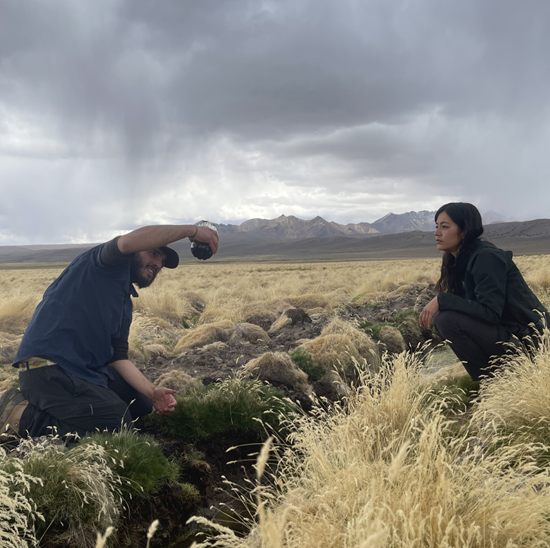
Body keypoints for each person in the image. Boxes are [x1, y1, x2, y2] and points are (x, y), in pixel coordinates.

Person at [0, 223, 219, 438]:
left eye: (162, 261)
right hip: (48, 370)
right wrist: (192, 231)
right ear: (135, 251)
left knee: (140, 405)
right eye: (153, 253)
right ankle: (22, 415)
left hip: (83, 371)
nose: (158, 264)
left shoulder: (124, 301)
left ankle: (77, 410)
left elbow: (118, 358)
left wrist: (153, 392)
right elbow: (126, 243)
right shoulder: (103, 265)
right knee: (117, 427)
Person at [419, 202, 547, 381]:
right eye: (437, 226)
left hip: (531, 340)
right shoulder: (458, 259)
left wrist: (443, 300)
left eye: (445, 227)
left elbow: (490, 313)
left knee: (446, 320)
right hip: (509, 333)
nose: (437, 232)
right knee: (446, 318)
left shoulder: (486, 257)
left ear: (464, 231)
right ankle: (494, 382)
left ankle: (491, 382)